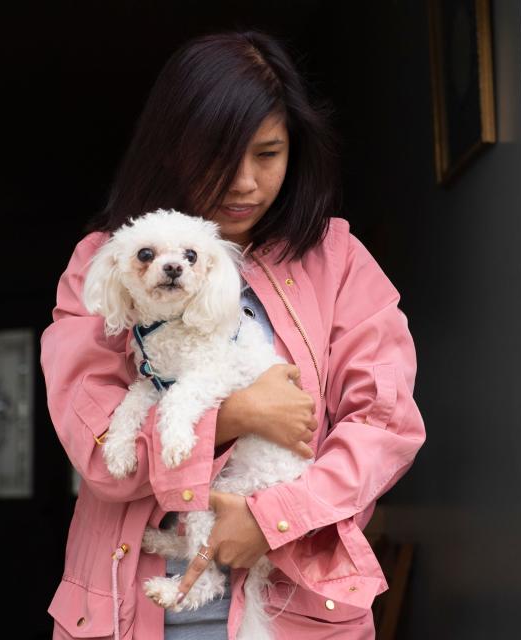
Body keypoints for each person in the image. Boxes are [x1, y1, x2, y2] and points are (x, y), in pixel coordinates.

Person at [39, 30, 426, 640]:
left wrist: (271, 517)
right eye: (219, 155)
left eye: (267, 154)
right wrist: (236, 415)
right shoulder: (108, 265)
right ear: (171, 148)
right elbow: (98, 455)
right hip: (134, 609)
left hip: (295, 613)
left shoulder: (338, 259)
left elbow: (385, 424)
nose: (244, 182)